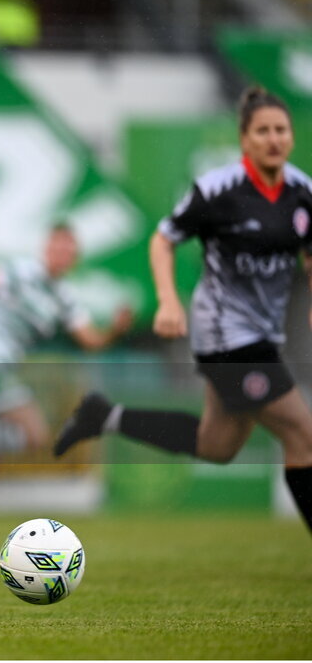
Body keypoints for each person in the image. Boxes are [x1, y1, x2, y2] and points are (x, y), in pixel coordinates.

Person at [53, 87, 312, 536]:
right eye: (263, 130)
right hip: (225, 337)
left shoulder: (302, 191)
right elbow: (163, 238)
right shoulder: (219, 190)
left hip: (263, 336)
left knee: (218, 446)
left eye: (281, 130)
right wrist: (170, 300)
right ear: (244, 138)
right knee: (303, 435)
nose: (274, 138)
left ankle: (103, 415)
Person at [0, 225, 133, 534]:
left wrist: (114, 331)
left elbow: (89, 339)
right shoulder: (24, 270)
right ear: (46, 249)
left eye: (68, 250)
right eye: (57, 247)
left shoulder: (63, 296)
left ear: (75, 257)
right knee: (34, 434)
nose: (61, 254)